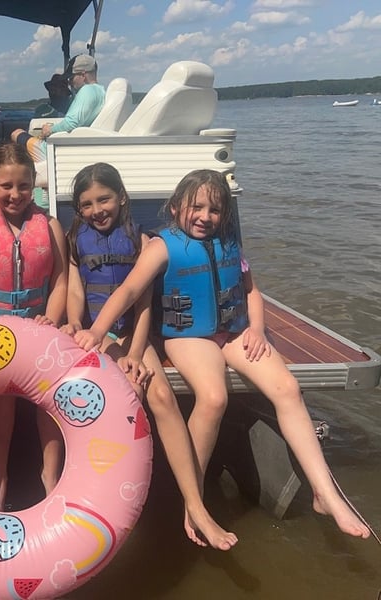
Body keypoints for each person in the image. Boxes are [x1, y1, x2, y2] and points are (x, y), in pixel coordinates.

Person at [74, 169, 372, 540]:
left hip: (234, 332)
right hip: (188, 337)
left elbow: (250, 291)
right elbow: (130, 291)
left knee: (288, 389)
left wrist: (257, 329)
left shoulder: (228, 242)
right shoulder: (161, 246)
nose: (205, 216)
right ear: (176, 207)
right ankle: (194, 497)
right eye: (196, 207)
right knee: (214, 398)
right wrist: (97, 331)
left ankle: (324, 493)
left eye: (214, 210)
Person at [61, 163, 237, 550]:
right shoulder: (75, 240)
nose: (97, 210)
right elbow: (75, 291)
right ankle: (112, 500)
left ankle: (195, 504)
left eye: (104, 199)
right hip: (96, 333)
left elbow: (142, 304)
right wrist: (74, 322)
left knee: (161, 397)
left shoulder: (141, 240)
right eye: (87, 204)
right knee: (127, 397)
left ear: (122, 198)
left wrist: (137, 352)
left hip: (131, 334)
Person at [0, 143, 68, 511]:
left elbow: (60, 280)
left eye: (23, 185)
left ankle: (50, 475)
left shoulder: (50, 226)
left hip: (39, 329)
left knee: (48, 403)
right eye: (6, 186)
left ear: (33, 184)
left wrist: (52, 320)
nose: (15, 194)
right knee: (0, 407)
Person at [10, 54, 105, 162]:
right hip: (66, 146)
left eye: (71, 77)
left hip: (52, 151)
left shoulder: (87, 90)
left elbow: (72, 123)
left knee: (16, 133)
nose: (70, 82)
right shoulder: (100, 91)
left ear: (83, 75)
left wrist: (50, 130)